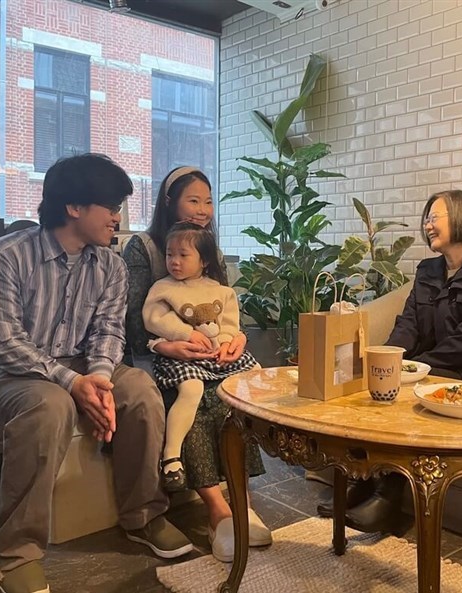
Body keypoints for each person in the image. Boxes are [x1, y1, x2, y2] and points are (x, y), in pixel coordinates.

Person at [0, 154, 193, 593]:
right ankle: (16, 552)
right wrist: (72, 383)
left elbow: (108, 331)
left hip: (84, 366)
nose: (117, 217)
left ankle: (143, 515)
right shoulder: (5, 257)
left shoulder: (110, 265)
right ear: (74, 207)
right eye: (111, 206)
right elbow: (5, 344)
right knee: (48, 404)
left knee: (140, 387)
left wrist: (101, 380)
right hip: (7, 373)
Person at [323, 189, 462, 534]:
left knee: (409, 393)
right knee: (382, 384)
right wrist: (389, 360)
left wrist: (419, 367)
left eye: (435, 217)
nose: (427, 224)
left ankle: (388, 498)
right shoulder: (428, 270)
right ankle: (361, 480)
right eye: (427, 218)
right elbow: (408, 323)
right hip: (439, 367)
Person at [122, 166, 271, 563]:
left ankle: (241, 502)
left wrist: (236, 339)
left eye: (208, 201)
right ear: (169, 202)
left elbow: (223, 311)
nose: (203, 209)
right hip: (157, 355)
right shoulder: (144, 247)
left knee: (234, 400)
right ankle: (218, 513)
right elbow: (135, 321)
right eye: (193, 200)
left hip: (208, 354)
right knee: (198, 398)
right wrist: (170, 346)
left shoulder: (210, 250)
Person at [143, 222, 258, 491]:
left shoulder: (220, 290)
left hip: (216, 355)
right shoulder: (163, 288)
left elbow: (230, 323)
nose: (174, 261)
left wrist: (227, 344)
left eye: (183, 255)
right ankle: (171, 456)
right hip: (181, 357)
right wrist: (185, 333)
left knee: (255, 374)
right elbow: (153, 319)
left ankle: (265, 434)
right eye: (170, 254)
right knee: (192, 389)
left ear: (204, 260)